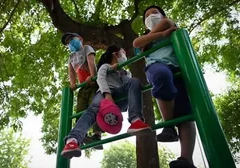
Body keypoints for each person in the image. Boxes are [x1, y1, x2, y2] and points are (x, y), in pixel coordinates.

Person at [133, 5, 197, 168]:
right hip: (157, 64)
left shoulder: (170, 25)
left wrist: (158, 32)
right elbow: (136, 43)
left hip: (180, 68)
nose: (151, 16)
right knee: (161, 76)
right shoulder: (148, 38)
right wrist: (160, 34)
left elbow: (167, 21)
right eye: (147, 16)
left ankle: (186, 159)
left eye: (155, 13)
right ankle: (168, 125)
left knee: (185, 113)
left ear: (162, 15)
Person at [61, 45, 151, 159]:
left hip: (120, 97)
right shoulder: (105, 66)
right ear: (115, 54)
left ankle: (136, 120)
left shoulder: (125, 72)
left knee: (135, 81)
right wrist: (107, 94)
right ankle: (72, 140)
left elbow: (130, 86)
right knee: (92, 110)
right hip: (105, 93)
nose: (125, 56)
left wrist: (121, 72)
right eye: (123, 53)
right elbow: (100, 79)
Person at [61, 32, 103, 149]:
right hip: (83, 86)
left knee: (93, 106)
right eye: (68, 43)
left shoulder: (86, 48)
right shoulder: (71, 57)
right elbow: (71, 71)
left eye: (72, 40)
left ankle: (97, 135)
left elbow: (91, 61)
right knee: (80, 109)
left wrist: (93, 76)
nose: (70, 44)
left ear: (80, 38)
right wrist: (73, 83)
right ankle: (80, 135)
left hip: (92, 83)